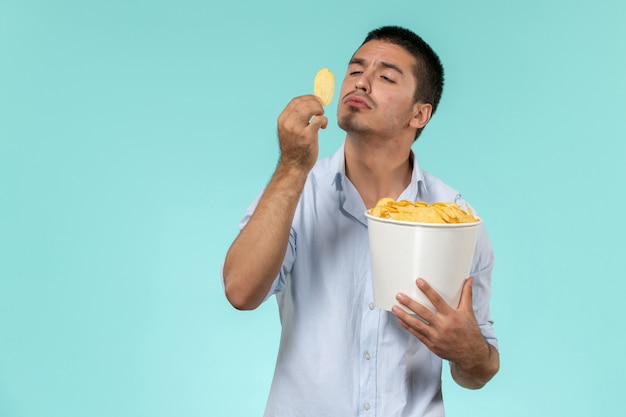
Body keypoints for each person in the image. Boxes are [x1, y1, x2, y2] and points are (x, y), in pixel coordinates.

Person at [222, 25, 499, 416]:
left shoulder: (457, 220)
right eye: (355, 71)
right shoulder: (297, 191)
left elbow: (479, 369)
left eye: (385, 76)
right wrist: (291, 166)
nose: (362, 82)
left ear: (420, 114)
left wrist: (470, 351)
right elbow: (240, 292)